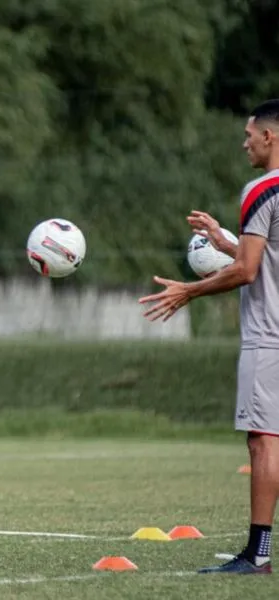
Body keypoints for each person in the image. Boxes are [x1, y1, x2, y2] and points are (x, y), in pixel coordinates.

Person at [140, 99, 279, 574]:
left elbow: (248, 270)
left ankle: (256, 555)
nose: (244, 141)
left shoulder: (261, 189)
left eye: (249, 134)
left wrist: (188, 291)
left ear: (270, 137)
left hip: (270, 337)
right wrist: (223, 240)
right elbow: (262, 254)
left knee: (264, 441)